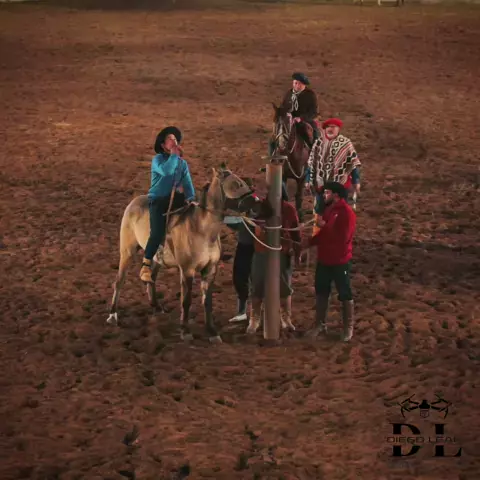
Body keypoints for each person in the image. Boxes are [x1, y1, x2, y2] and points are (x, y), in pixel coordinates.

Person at [139, 126, 196, 284]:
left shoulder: (182, 163)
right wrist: (174, 156)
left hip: (176, 200)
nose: (174, 141)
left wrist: (191, 197)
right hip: (158, 200)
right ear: (163, 145)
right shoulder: (157, 160)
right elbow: (167, 171)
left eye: (175, 139)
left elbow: (187, 182)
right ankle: (146, 265)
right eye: (170, 139)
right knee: (157, 232)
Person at [302, 181, 356, 342]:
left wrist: (323, 226)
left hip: (340, 260)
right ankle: (320, 324)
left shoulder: (347, 213)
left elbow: (342, 237)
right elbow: (324, 234)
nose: (324, 195)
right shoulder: (330, 210)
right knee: (321, 290)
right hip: (325, 258)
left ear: (336, 195)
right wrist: (309, 242)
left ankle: (348, 328)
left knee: (344, 292)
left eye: (327, 192)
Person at [246, 183, 302, 334]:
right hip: (261, 250)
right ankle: (254, 319)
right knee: (257, 287)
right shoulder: (258, 207)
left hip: (282, 252)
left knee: (284, 288)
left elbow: (296, 233)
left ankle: (286, 318)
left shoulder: (289, 209)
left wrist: (297, 252)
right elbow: (250, 220)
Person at [305, 117, 361, 216]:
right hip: (321, 184)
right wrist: (308, 179)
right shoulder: (318, 143)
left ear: (338, 129)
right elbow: (312, 163)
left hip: (340, 184)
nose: (330, 129)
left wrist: (356, 181)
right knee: (320, 210)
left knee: (340, 209)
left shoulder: (346, 144)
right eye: (328, 127)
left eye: (334, 127)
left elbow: (353, 163)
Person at [223, 192, 261, 322]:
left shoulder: (249, 219)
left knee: (244, 280)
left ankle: (245, 312)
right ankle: (246, 312)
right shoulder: (249, 216)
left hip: (250, 249)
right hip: (251, 248)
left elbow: (235, 222)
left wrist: (222, 216)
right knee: (243, 280)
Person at [279, 72, 320, 148]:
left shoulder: (310, 95)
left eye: (300, 84)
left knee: (314, 134)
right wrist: (285, 114)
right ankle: (274, 152)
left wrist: (301, 118)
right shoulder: (288, 93)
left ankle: (314, 149)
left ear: (304, 85)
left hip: (305, 120)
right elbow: (282, 107)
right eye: (295, 83)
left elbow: (314, 112)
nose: (297, 85)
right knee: (275, 136)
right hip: (288, 120)